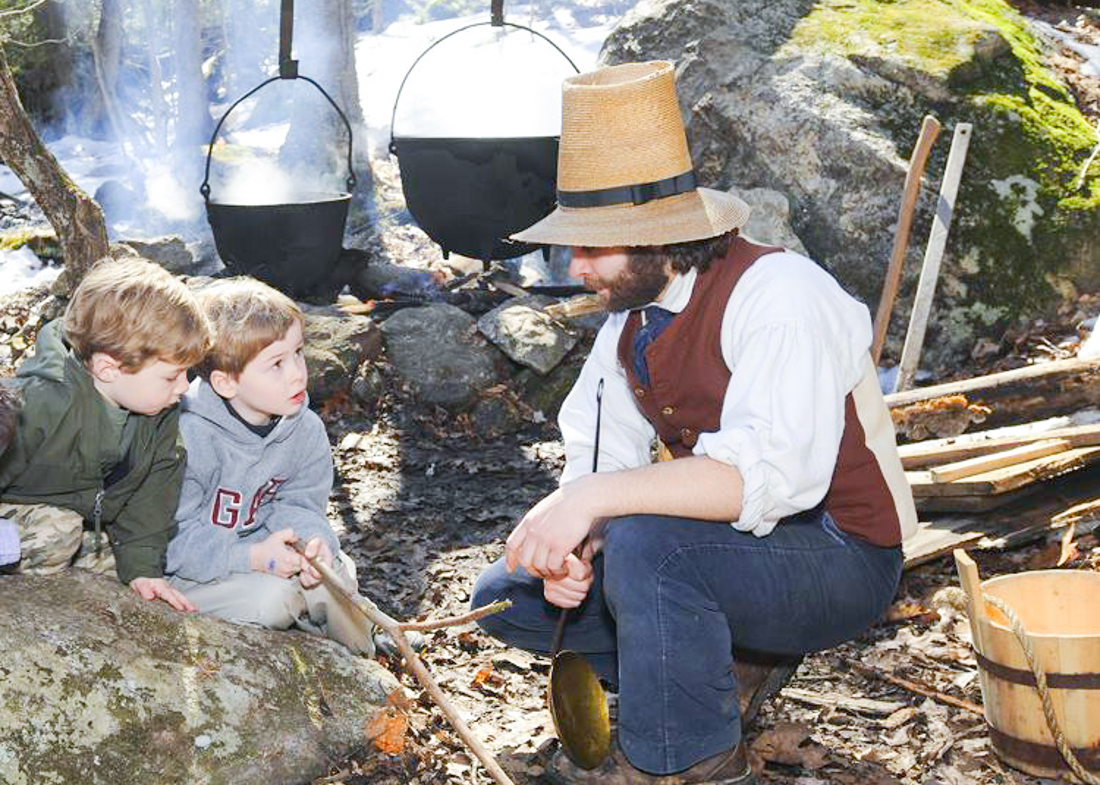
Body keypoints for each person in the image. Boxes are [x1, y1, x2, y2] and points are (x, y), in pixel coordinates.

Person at [471, 61, 917, 785]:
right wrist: (574, 546)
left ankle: (687, 759)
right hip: (732, 553)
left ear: (655, 237)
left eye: (592, 245)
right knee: (504, 597)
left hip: (838, 554)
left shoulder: (779, 297)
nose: (575, 266)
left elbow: (763, 482)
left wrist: (597, 506)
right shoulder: (629, 323)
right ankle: (706, 677)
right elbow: (598, 457)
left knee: (654, 549)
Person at [165, 278, 387, 656]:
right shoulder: (187, 436)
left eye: (298, 352)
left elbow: (300, 502)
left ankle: (368, 651)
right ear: (226, 382)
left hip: (264, 553)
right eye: (276, 364)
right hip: (195, 573)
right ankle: (296, 646)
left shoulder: (303, 427)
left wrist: (312, 544)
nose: (298, 374)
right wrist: (250, 558)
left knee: (334, 574)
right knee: (273, 598)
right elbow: (171, 540)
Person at [0, 256, 213, 609]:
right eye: (172, 375)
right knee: (58, 532)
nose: (184, 387)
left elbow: (151, 500)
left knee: (121, 571)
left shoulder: (159, 415)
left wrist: (143, 569)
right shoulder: (40, 406)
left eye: (187, 373)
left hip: (84, 524)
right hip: (30, 518)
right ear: (108, 368)